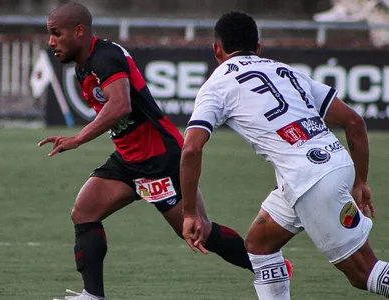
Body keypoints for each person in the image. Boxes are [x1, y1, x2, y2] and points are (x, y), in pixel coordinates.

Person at [37, 2, 292, 300]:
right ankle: (92, 296)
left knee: (201, 232)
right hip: (128, 159)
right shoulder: (85, 64)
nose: (51, 41)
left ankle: (274, 267)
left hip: (159, 158)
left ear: (79, 31)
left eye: (56, 33)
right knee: (84, 212)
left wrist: (78, 139)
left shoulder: (105, 57)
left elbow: (121, 105)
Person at [180, 10, 389, 300]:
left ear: (217, 49)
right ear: (259, 48)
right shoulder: (286, 71)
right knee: (259, 244)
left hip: (310, 181)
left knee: (364, 273)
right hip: (328, 165)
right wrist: (360, 181)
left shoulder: (216, 85)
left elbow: (191, 148)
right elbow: (354, 121)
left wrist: (190, 212)